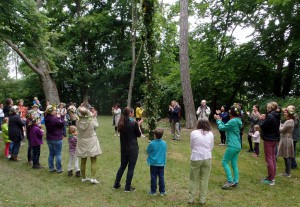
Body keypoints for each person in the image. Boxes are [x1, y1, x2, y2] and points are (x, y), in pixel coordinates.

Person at [113, 107, 142, 192]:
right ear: (130, 114)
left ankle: (116, 184)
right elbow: (139, 134)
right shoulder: (133, 123)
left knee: (122, 166)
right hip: (133, 149)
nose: (133, 114)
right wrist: (138, 125)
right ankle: (127, 187)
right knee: (131, 168)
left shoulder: (121, 122)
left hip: (124, 149)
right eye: (132, 113)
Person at [214, 105, 242, 189]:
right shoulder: (238, 120)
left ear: (232, 112)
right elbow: (226, 127)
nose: (229, 111)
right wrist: (220, 120)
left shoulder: (233, 121)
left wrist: (218, 120)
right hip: (237, 145)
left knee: (224, 162)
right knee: (234, 164)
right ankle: (236, 181)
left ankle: (230, 181)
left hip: (232, 145)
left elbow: (222, 128)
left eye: (230, 110)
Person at [188, 119, 214, 205]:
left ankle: (191, 198)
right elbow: (211, 146)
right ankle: (202, 199)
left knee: (193, 179)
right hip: (207, 157)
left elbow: (192, 145)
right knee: (204, 180)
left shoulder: (194, 133)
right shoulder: (210, 134)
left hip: (196, 157)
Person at [76, 106, 102, 184]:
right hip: (91, 140)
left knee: (83, 160)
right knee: (93, 159)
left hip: (82, 140)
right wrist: (94, 117)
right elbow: (96, 126)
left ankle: (83, 177)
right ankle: (93, 178)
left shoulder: (78, 121)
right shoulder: (91, 120)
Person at [259, 102, 281, 186]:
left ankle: (271, 179)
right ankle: (271, 176)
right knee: (272, 158)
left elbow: (263, 126)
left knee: (269, 159)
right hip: (274, 139)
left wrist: (261, 120)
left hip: (269, 139)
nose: (267, 109)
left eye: (268, 107)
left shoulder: (270, 116)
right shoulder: (277, 115)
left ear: (271, 108)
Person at [44, 105, 65, 173]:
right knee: (58, 154)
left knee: (51, 153)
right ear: (51, 111)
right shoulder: (54, 119)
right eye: (55, 110)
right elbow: (62, 124)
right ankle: (59, 169)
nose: (56, 111)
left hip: (49, 138)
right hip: (56, 138)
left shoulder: (46, 118)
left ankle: (51, 168)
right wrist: (62, 117)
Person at [147, 128, 167, 196]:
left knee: (153, 177)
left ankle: (153, 191)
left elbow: (148, 151)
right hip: (161, 163)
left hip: (153, 163)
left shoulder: (152, 143)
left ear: (154, 135)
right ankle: (162, 191)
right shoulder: (164, 143)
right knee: (161, 177)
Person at [277, 107, 295, 177]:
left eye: (286, 112)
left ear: (289, 114)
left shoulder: (289, 121)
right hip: (286, 139)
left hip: (286, 140)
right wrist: (281, 125)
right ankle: (287, 172)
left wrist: (279, 123)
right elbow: (284, 128)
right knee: (286, 156)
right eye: (284, 112)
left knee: (287, 156)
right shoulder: (290, 120)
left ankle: (288, 173)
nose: (284, 113)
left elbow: (281, 130)